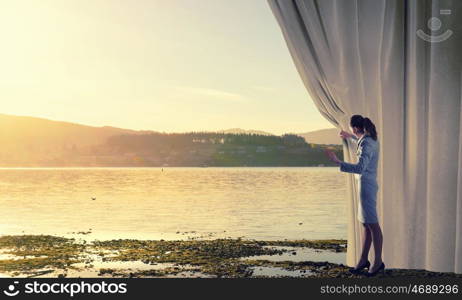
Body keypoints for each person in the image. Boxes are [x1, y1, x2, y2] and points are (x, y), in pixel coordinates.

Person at [325, 115, 385, 276]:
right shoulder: (370, 139)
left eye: (352, 129)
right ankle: (363, 260)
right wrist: (350, 136)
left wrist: (338, 161)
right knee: (366, 224)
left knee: (373, 225)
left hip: (366, 187)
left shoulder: (367, 142)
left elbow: (360, 168)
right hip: (366, 186)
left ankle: (378, 262)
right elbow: (360, 145)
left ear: (356, 128)